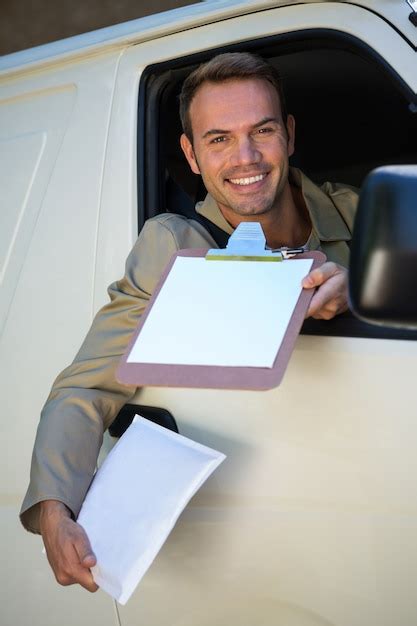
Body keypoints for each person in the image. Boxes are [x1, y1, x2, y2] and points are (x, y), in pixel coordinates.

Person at [20, 52, 358, 592]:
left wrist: (360, 289)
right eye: (218, 138)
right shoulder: (175, 246)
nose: (244, 157)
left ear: (289, 135)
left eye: (262, 130)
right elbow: (85, 387)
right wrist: (56, 512)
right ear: (192, 154)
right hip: (241, 531)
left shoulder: (360, 214)